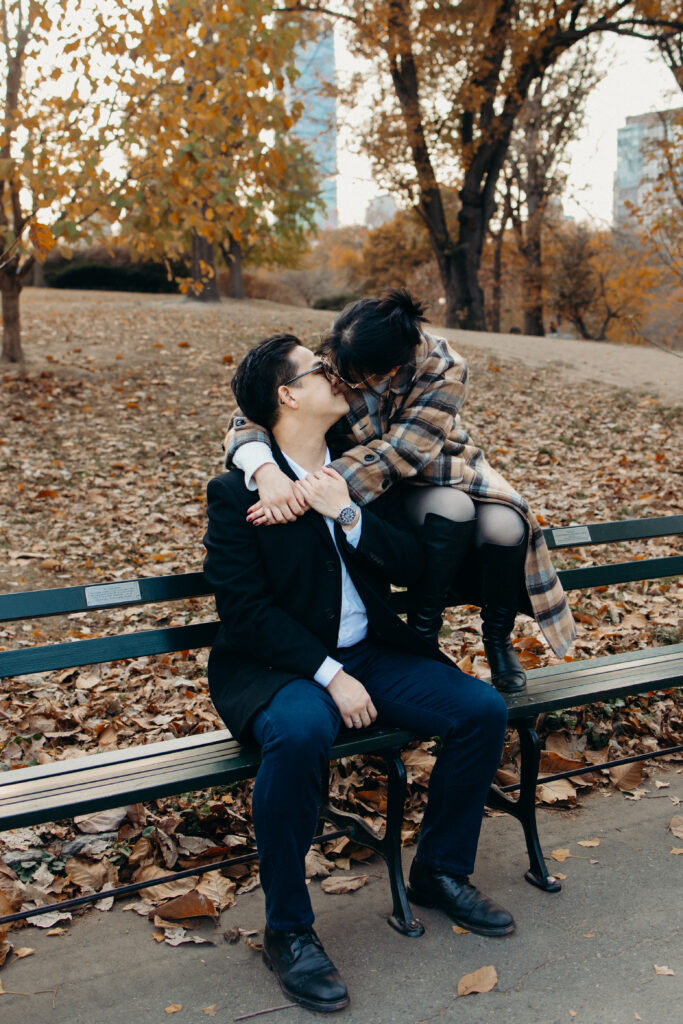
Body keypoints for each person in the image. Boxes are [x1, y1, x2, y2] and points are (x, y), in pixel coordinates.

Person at [204, 334, 512, 1014]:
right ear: (287, 395)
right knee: (299, 730)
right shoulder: (238, 491)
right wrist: (326, 675)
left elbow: (404, 563)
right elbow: (245, 610)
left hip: (370, 653)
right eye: (318, 370)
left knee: (481, 710)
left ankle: (439, 872)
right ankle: (288, 929)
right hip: (276, 669)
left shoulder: (356, 468)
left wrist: (342, 511)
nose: (334, 375)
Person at [223, 290, 575, 695]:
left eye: (352, 380)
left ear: (389, 370)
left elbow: (400, 454)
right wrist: (265, 470)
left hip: (435, 465)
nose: (338, 380)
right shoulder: (342, 348)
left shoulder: (444, 367)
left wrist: (306, 493)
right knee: (454, 510)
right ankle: (423, 633)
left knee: (509, 525)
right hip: (381, 486)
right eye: (332, 369)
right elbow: (256, 409)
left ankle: (497, 638)